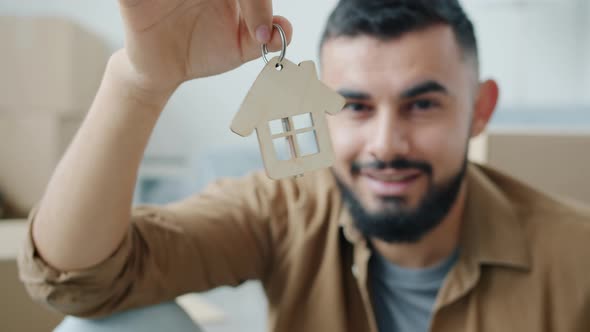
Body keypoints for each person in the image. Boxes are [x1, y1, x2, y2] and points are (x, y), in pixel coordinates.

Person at [18, 0, 590, 331]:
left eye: (423, 104)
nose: (386, 144)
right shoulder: (284, 208)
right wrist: (141, 81)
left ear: (479, 110)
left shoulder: (575, 256)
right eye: (355, 106)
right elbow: (80, 280)